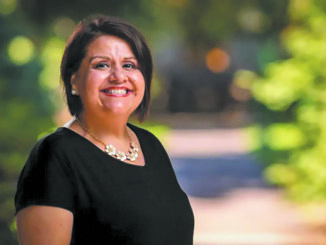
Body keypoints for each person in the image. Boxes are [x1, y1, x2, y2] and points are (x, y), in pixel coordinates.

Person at [14, 15, 194, 245]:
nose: (119, 76)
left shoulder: (149, 145)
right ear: (74, 81)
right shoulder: (55, 155)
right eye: (101, 65)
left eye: (129, 65)